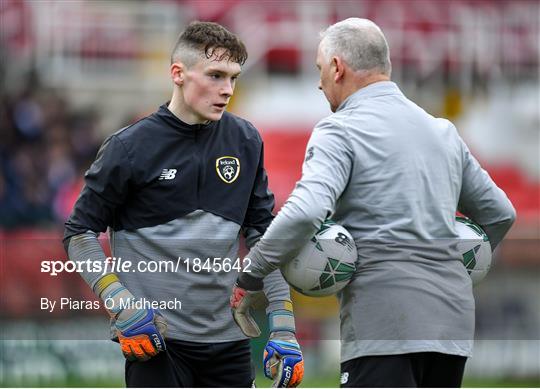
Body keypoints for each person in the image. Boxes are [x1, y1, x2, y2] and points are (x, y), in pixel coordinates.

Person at [230, 18, 516, 387]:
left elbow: (305, 212)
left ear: (337, 67)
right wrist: (456, 268)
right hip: (452, 325)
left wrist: (251, 274)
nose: (319, 83)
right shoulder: (442, 131)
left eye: (320, 70)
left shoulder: (341, 129)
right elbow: (500, 214)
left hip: (384, 323)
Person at [64, 21, 303, 388]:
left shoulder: (246, 140)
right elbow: (78, 233)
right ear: (178, 73)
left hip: (231, 343)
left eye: (234, 78)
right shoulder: (128, 147)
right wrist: (119, 300)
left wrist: (283, 326)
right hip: (158, 343)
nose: (227, 90)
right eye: (216, 76)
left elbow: (264, 237)